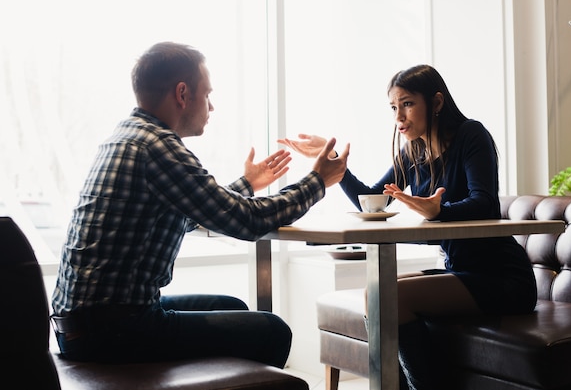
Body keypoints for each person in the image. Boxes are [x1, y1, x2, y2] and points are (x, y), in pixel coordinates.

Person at [50, 41, 349, 367]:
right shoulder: (157, 146)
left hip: (85, 325)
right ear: (182, 94)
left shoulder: (127, 135)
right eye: (207, 94)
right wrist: (317, 181)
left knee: (233, 307)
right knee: (272, 331)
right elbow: (247, 222)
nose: (212, 106)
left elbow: (188, 213)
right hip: (113, 329)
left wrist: (247, 184)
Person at [278, 64, 537, 389]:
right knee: (379, 292)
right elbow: (371, 200)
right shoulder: (413, 152)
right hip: (462, 271)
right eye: (393, 107)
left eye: (408, 104)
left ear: (437, 102)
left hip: (503, 278)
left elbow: (484, 203)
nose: (399, 116)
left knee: (390, 297)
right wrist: (336, 165)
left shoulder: (471, 135)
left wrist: (439, 210)